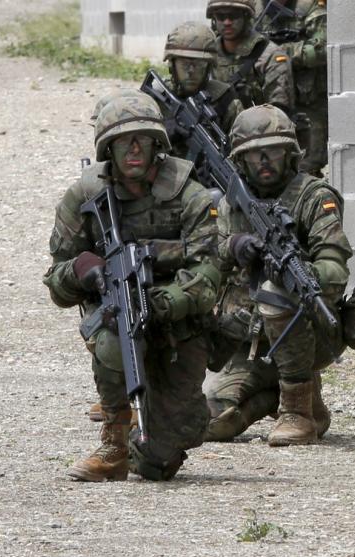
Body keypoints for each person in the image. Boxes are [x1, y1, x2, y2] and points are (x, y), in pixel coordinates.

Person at [43, 92, 221, 481]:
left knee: (161, 461)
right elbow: (56, 283)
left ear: (159, 144)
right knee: (111, 337)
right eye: (124, 141)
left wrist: (162, 302)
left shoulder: (189, 195)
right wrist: (83, 270)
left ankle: (150, 439)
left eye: (143, 139)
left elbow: (208, 276)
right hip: (118, 314)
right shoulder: (85, 195)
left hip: (178, 325)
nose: (134, 149)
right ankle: (114, 442)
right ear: (109, 148)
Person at [205, 104, 350, 446]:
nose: (265, 162)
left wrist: (301, 274)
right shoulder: (228, 205)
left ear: (290, 154)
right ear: (240, 161)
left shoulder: (314, 197)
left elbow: (335, 265)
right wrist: (234, 247)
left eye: (273, 152)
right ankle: (274, 398)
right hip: (246, 342)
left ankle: (299, 410)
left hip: (307, 335)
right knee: (208, 424)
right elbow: (203, 263)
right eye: (255, 155)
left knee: (278, 288)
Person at [254, 0, 328, 176]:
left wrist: (279, 52)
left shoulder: (308, 7)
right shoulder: (253, 8)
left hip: (306, 104)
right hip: (262, 103)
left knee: (306, 168)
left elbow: (323, 49)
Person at [161, 21, 243, 159]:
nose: (191, 71)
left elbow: (243, 152)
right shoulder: (156, 97)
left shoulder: (225, 100)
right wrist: (161, 134)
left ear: (209, 67)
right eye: (184, 64)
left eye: (199, 64)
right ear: (172, 64)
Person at [206, 0, 295, 114]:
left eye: (234, 16)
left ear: (246, 17)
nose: (227, 22)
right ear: (214, 19)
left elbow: (279, 116)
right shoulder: (207, 55)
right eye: (220, 16)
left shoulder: (270, 56)